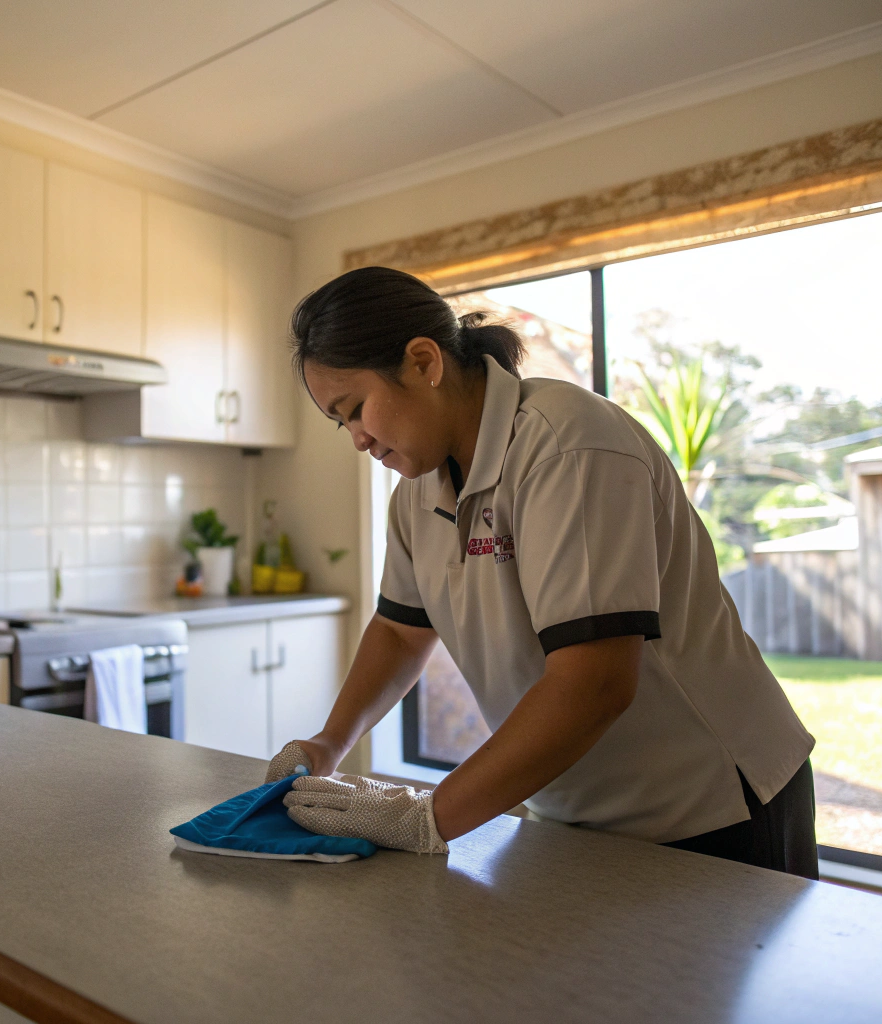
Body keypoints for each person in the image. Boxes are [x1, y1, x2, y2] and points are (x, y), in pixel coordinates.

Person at [269, 266, 818, 878]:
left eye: (356, 409)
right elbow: (401, 631)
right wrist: (330, 743)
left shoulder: (568, 445)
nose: (357, 439)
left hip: (709, 805)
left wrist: (424, 817)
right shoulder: (416, 494)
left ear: (424, 362)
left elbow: (594, 683)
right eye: (340, 422)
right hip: (570, 808)